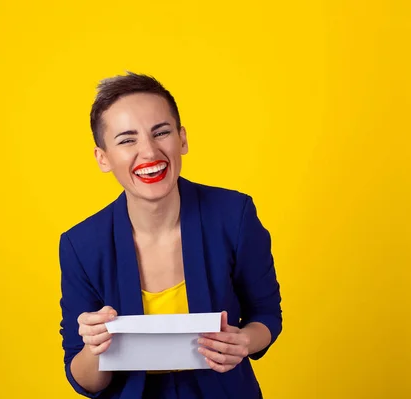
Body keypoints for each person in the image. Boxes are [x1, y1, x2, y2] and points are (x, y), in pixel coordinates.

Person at [58, 72, 282, 399]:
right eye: (127, 139)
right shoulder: (81, 245)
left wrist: (244, 341)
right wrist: (97, 346)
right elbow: (84, 381)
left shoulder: (235, 215)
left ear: (182, 139)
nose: (149, 153)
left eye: (160, 132)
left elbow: (265, 315)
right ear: (103, 158)